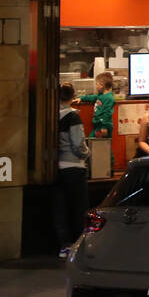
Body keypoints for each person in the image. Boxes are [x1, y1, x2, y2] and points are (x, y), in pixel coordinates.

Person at [52, 83, 88, 260]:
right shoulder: (73, 116)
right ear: (72, 97)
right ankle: (78, 245)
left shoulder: (52, 116)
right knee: (78, 208)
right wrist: (88, 154)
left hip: (58, 168)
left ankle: (64, 245)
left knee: (61, 208)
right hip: (74, 168)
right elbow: (78, 145)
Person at [78, 72, 116, 139]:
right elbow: (93, 97)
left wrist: (104, 127)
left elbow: (107, 113)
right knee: (95, 144)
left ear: (102, 85)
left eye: (96, 84)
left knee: (102, 146)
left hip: (103, 127)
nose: (96, 86)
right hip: (98, 125)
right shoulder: (101, 95)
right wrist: (81, 98)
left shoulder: (109, 98)